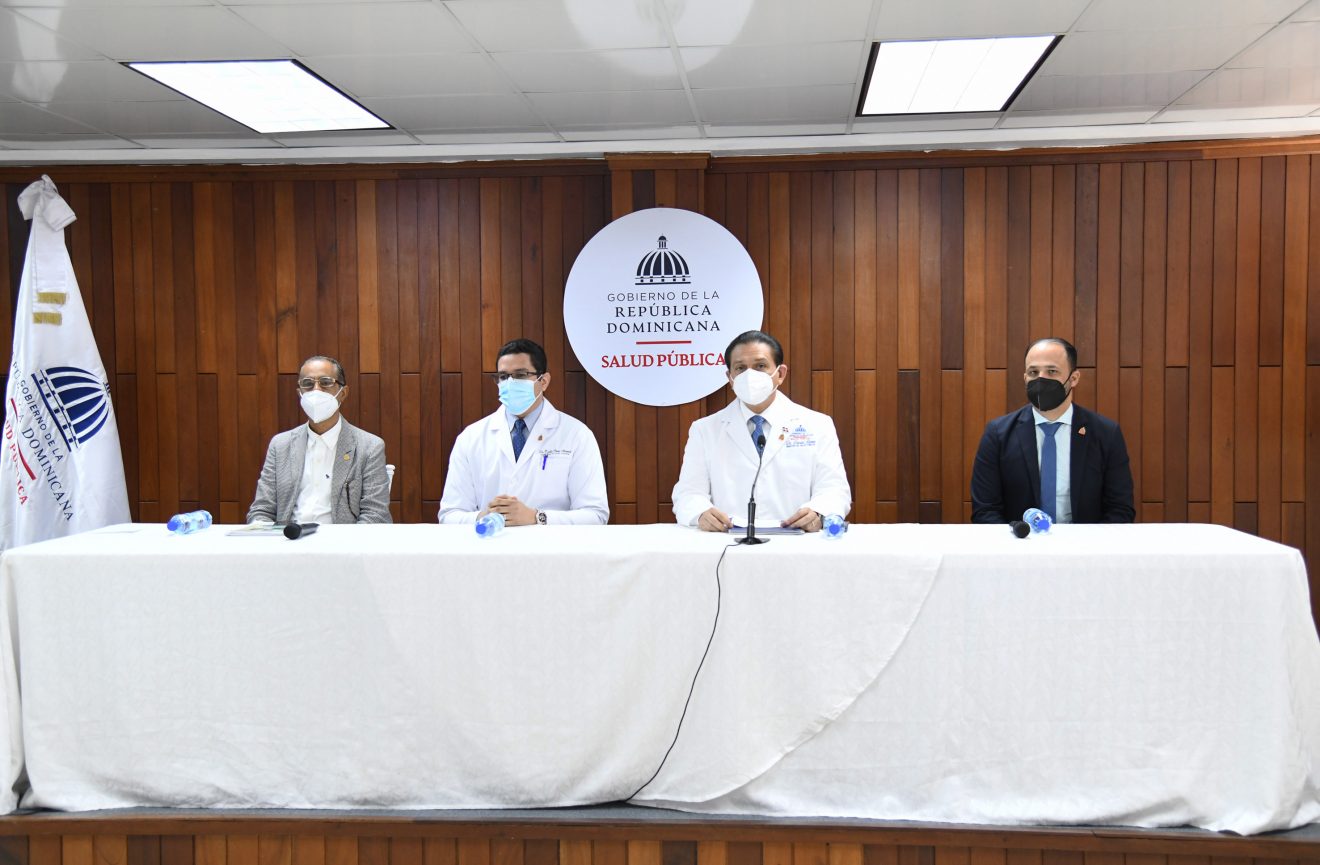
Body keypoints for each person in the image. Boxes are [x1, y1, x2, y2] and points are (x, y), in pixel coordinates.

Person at [672, 330, 851, 532]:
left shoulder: (818, 425)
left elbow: (834, 490)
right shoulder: (705, 430)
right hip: (727, 543)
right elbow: (688, 493)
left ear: (780, 374)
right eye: (740, 368)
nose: (750, 376)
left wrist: (818, 512)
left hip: (796, 541)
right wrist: (700, 513)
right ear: (730, 378)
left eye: (760, 366)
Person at [439, 338, 608, 526]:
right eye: (503, 377)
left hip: (552, 544)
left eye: (520, 375)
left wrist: (536, 517)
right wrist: (483, 517)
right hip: (491, 542)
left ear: (543, 381)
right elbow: (449, 515)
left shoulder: (576, 435)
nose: (510, 383)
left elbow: (595, 515)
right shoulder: (471, 437)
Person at [971, 337, 1135, 524]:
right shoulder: (998, 434)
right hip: (1021, 540)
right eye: (1033, 372)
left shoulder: (1105, 434)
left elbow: (1120, 509)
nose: (1041, 379)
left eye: (1052, 371)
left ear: (1073, 378)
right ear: (1025, 378)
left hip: (1085, 541)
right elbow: (985, 510)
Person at [247, 355, 392, 524]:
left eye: (325, 382)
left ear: (343, 393)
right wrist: (264, 532)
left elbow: (375, 515)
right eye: (308, 384)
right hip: (288, 537)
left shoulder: (369, 447)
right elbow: (262, 509)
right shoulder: (280, 445)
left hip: (342, 539)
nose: (316, 390)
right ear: (300, 393)